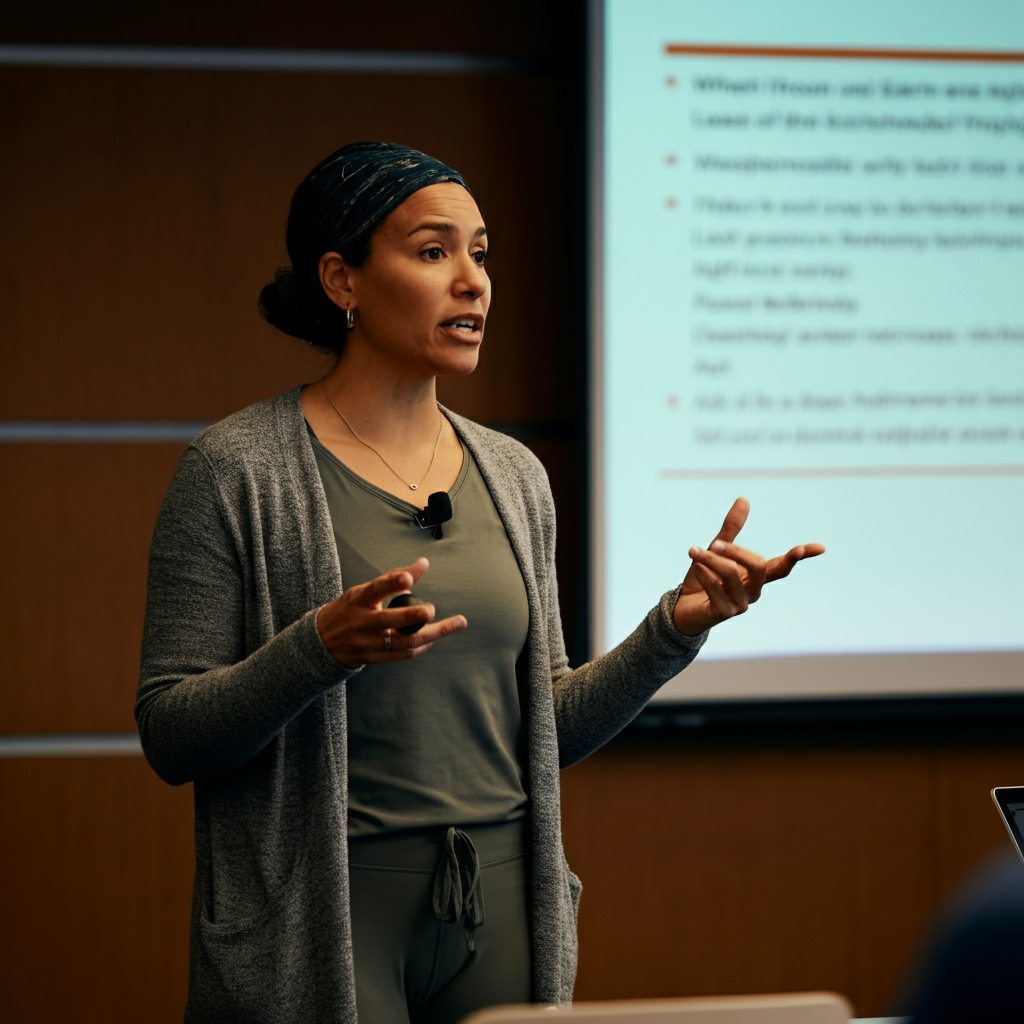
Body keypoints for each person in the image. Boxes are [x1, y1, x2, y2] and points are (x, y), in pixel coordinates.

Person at [136, 142, 824, 1024]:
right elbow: (170, 735)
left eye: (481, 253)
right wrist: (317, 650)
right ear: (341, 280)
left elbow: (547, 726)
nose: (473, 282)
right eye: (434, 252)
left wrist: (675, 630)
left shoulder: (513, 473)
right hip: (321, 911)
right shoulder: (236, 468)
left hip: (503, 903)